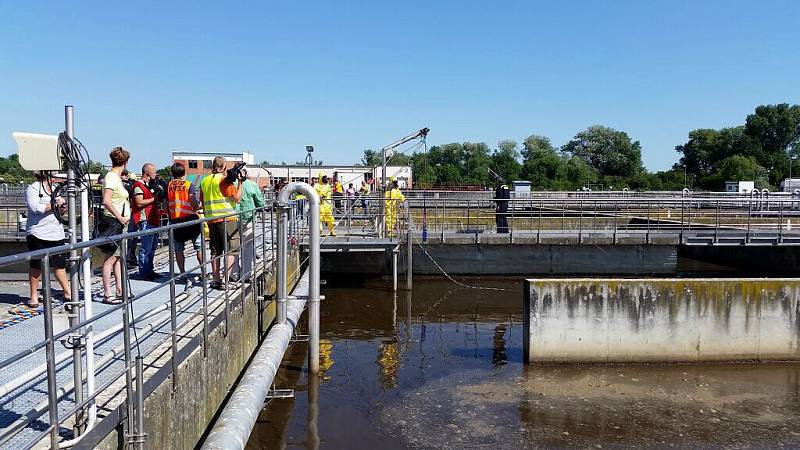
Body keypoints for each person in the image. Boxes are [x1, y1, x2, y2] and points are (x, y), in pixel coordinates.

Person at [23, 172, 71, 308]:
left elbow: (60, 211)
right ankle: (33, 296)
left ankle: (67, 292)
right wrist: (54, 205)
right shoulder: (33, 188)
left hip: (56, 232)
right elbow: (35, 209)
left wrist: (62, 208)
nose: (56, 176)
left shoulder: (56, 189)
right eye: (54, 174)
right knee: (36, 265)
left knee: (59, 264)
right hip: (38, 233)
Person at [200, 156, 243, 289]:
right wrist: (241, 183)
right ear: (224, 167)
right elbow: (236, 199)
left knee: (215, 250)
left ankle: (216, 279)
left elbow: (201, 200)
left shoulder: (204, 181)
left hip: (211, 219)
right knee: (232, 249)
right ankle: (225, 280)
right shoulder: (224, 180)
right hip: (227, 218)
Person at [99, 147, 131, 304]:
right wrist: (120, 218)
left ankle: (119, 289)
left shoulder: (115, 178)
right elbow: (106, 200)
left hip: (119, 223)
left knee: (117, 258)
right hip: (114, 223)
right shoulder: (111, 177)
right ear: (125, 163)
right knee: (110, 258)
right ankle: (107, 293)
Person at [166, 162, 204, 277]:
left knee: (178, 249)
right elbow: (193, 202)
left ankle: (182, 273)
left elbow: (165, 202)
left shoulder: (169, 186)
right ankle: (203, 272)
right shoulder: (188, 185)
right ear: (184, 173)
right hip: (191, 220)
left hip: (175, 221)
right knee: (199, 247)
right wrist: (198, 207)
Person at [131, 163, 161, 279]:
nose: (155, 174)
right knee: (146, 247)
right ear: (148, 173)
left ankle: (149, 269)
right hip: (145, 219)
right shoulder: (138, 186)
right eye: (154, 172)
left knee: (152, 247)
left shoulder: (149, 186)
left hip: (153, 219)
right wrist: (154, 199)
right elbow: (139, 202)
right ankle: (144, 271)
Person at [235, 168, 265, 282]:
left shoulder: (230, 185)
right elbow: (260, 203)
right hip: (248, 218)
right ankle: (245, 274)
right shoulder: (252, 185)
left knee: (233, 248)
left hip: (233, 219)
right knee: (247, 247)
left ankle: (233, 274)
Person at [120, 170, 139, 268]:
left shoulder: (130, 185)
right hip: (122, 215)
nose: (126, 176)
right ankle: (126, 260)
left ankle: (131, 258)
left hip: (130, 214)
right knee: (127, 239)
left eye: (126, 174)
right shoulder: (121, 186)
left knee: (133, 238)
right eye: (123, 174)